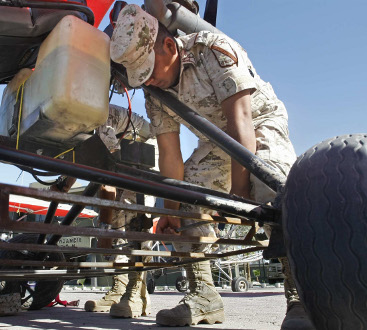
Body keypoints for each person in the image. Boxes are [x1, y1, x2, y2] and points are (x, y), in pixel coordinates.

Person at [110, 4, 313, 329]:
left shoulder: (213, 50)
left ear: (168, 46)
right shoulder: (154, 90)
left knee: (275, 187)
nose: (148, 79)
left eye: (149, 69)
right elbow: (170, 156)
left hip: (258, 122)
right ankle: (204, 296)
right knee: (185, 200)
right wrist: (172, 210)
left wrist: (239, 195)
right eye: (141, 76)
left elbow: (241, 121)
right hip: (215, 139)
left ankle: (300, 299)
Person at [51, 104, 157, 318]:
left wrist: (104, 230)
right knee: (117, 220)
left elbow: (106, 181)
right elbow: (80, 161)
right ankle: (119, 288)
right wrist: (63, 185)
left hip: (144, 154)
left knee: (132, 218)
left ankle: (137, 294)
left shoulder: (97, 118)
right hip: (121, 156)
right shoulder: (75, 127)